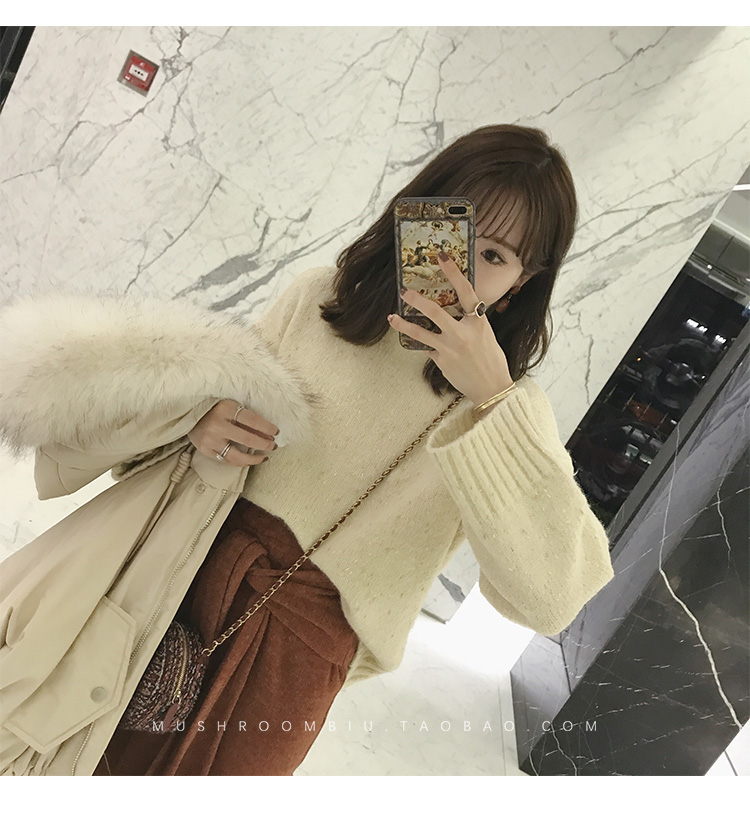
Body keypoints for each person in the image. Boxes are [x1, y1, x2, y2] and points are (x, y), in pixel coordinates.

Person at [2, 123, 615, 775]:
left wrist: (493, 400)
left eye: (491, 256)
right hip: (179, 570)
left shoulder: (507, 408)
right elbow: (198, 421)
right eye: (451, 234)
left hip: (294, 659)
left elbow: (549, 600)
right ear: (416, 214)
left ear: (523, 280)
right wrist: (199, 424)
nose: (455, 269)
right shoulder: (319, 301)